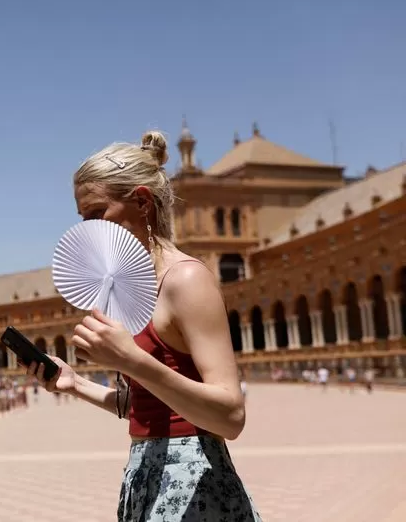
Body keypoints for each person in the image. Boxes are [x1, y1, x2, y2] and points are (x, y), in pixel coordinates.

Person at [26, 131, 261, 521]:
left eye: (97, 214)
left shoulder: (185, 280)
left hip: (192, 481)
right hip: (144, 474)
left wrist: (130, 359)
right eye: (82, 218)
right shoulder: (129, 286)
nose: (88, 229)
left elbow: (231, 416)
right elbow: (149, 405)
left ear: (141, 201)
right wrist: (74, 383)